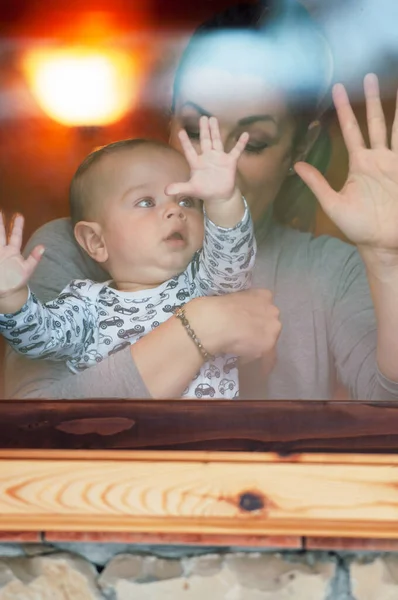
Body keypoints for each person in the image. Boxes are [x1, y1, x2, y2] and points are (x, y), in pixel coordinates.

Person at [4, 0, 398, 400]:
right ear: (169, 120)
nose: (218, 163)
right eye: (195, 130)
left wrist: (387, 261)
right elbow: (32, 417)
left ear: (301, 146)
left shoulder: (329, 270)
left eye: (253, 142)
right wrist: (204, 325)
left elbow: (390, 403)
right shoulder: (69, 249)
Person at [0, 117, 260, 399]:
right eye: (146, 202)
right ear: (96, 241)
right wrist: (12, 296)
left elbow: (232, 259)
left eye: (187, 201)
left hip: (208, 440)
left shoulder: (204, 284)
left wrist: (223, 200)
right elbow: (41, 340)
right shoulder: (87, 305)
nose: (175, 211)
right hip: (121, 440)